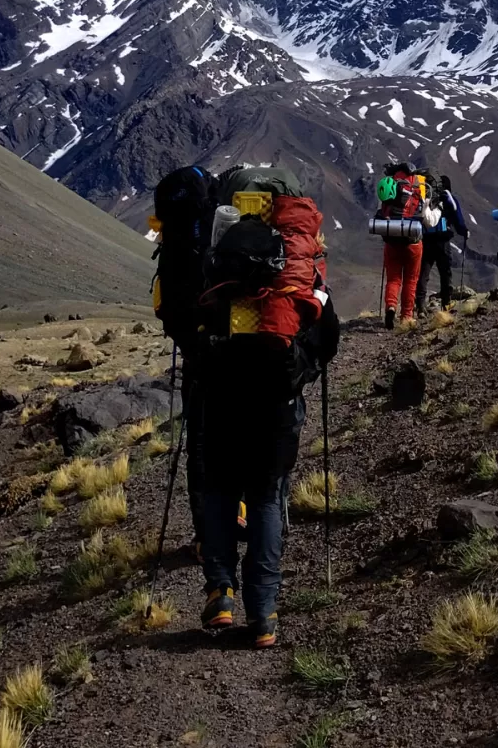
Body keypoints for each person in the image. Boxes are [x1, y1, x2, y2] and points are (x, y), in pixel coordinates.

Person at [198, 167, 339, 649]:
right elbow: (327, 337)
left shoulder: (221, 262)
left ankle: (221, 592)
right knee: (265, 497)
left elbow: (199, 329)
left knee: (219, 492)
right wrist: (302, 372)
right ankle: (264, 615)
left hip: (222, 398)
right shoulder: (299, 271)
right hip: (277, 403)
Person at [376, 169, 441, 330]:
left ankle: (390, 306)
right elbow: (428, 222)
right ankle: (406, 316)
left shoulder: (392, 188)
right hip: (413, 243)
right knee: (411, 281)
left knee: (393, 279)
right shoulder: (419, 189)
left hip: (392, 242)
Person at [416, 174, 469, 315]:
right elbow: (458, 218)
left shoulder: (426, 198)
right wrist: (464, 231)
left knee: (423, 273)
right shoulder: (448, 199)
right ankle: (446, 303)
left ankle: (420, 306)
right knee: (445, 273)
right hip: (443, 242)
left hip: (426, 240)